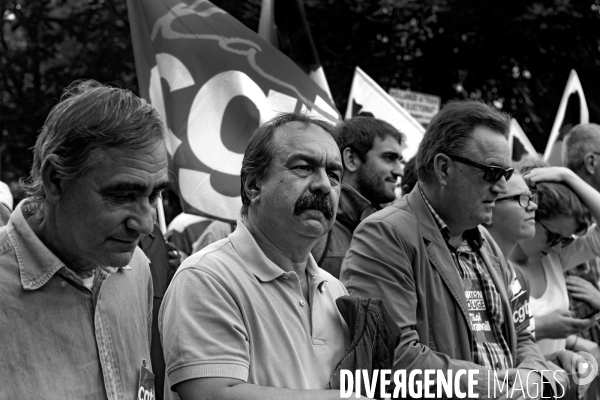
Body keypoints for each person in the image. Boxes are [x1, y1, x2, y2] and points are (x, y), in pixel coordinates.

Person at [340, 100, 553, 397]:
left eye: (505, 175)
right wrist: (494, 386)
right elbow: (390, 359)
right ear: (443, 168)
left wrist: (532, 374)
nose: (502, 188)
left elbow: (521, 334)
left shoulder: (485, 242)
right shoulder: (384, 234)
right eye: (492, 173)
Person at [160, 113, 350, 400]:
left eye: (334, 175)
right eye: (304, 167)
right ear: (253, 186)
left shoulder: (335, 291)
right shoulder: (207, 277)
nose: (323, 184)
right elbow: (213, 395)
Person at [0, 80, 169, 398]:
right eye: (122, 194)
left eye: (154, 194)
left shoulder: (137, 268)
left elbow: (141, 383)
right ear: (56, 180)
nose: (146, 224)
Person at [511, 159, 600, 356]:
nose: (558, 247)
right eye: (553, 236)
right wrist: (540, 329)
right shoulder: (489, 263)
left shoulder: (551, 258)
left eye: (566, 240)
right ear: (528, 213)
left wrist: (567, 176)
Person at [312, 116, 405, 278]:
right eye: (389, 158)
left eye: (400, 161)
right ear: (351, 159)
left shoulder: (391, 230)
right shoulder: (313, 224)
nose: (399, 171)